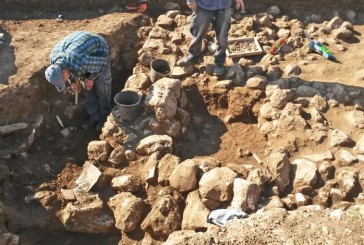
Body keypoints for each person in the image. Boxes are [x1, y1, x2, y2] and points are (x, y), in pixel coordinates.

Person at [45, 31, 112, 131]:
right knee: (87, 89)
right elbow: (69, 71)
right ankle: (94, 116)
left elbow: (101, 63)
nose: (65, 81)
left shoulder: (79, 60)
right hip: (82, 53)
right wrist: (72, 81)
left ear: (64, 72)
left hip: (98, 50)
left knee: (102, 89)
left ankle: (104, 118)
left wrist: (90, 79)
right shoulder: (54, 61)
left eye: (64, 80)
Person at [177, 0, 245, 75]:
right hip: (203, 5)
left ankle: (219, 62)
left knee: (222, 36)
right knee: (197, 32)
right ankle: (193, 57)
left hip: (224, 5)